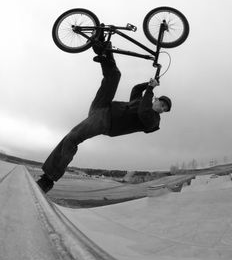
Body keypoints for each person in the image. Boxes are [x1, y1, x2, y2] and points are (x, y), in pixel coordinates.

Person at [37, 30, 172, 193]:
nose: (162, 108)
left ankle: (48, 180)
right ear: (156, 100)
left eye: (164, 109)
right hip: (102, 105)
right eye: (162, 104)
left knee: (72, 138)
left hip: (105, 122)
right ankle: (102, 46)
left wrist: (150, 89)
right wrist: (149, 83)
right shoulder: (141, 100)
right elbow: (136, 89)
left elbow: (143, 112)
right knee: (114, 76)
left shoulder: (153, 120)